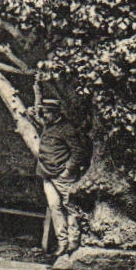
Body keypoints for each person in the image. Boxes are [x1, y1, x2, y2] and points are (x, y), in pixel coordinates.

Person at [35, 99, 90, 258]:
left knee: (70, 206)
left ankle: (73, 242)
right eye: (44, 112)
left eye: (47, 112)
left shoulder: (66, 129)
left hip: (62, 175)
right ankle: (62, 243)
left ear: (56, 113)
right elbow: (35, 115)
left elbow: (78, 151)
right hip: (47, 174)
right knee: (54, 206)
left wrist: (67, 170)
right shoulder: (48, 125)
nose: (44, 115)